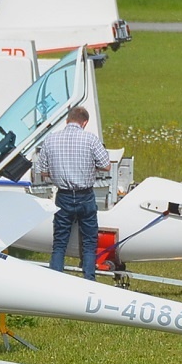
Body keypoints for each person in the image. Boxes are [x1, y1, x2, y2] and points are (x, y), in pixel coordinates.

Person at [35, 107, 111, 279]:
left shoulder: (51, 140)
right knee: (89, 242)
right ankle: (89, 279)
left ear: (67, 121)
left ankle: (56, 279)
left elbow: (42, 170)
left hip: (63, 195)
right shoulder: (90, 139)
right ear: (84, 123)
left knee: (60, 243)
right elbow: (106, 165)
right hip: (85, 195)